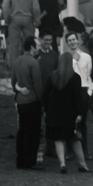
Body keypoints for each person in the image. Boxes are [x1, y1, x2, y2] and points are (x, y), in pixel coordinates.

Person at [46, 32, 91, 174]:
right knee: (74, 139)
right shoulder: (75, 77)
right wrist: (79, 112)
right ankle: (82, 164)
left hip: (55, 113)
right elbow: (77, 97)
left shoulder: (53, 76)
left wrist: (47, 108)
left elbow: (45, 94)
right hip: (69, 113)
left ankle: (62, 164)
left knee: (59, 139)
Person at [12, 36, 46, 170]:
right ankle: (30, 161)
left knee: (22, 131)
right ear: (32, 47)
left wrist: (19, 89)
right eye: (37, 45)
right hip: (32, 101)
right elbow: (37, 84)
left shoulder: (17, 61)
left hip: (21, 101)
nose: (38, 48)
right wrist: (42, 100)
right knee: (33, 133)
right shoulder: (33, 63)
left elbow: (12, 82)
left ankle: (20, 160)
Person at [3, 0, 41, 66]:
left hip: (14, 19)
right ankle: (29, 65)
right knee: (29, 44)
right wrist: (37, 21)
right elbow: (36, 7)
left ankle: (15, 69)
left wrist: (6, 19)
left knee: (14, 46)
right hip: (28, 19)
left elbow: (5, 6)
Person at [36, 31, 62, 161]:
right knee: (38, 122)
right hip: (38, 93)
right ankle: (38, 150)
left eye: (50, 40)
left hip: (51, 93)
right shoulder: (36, 55)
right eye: (45, 40)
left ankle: (51, 149)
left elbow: (57, 73)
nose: (47, 43)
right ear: (40, 39)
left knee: (51, 122)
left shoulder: (54, 55)